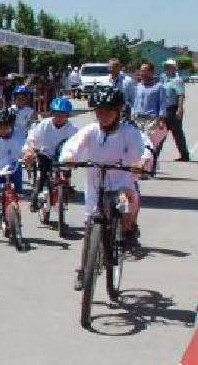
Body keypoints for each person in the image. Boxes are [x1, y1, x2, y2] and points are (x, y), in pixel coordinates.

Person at [60, 86, 149, 257]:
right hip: (96, 183)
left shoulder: (129, 132)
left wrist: (140, 163)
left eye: (108, 112)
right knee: (91, 222)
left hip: (121, 181)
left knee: (128, 204)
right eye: (99, 112)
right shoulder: (91, 130)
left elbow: (141, 151)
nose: (103, 116)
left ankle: (128, 231)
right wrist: (69, 157)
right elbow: (73, 145)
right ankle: (86, 267)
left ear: (118, 112)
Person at [24, 96, 78, 208]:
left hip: (63, 156)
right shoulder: (44, 124)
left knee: (66, 171)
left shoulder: (73, 129)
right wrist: (31, 149)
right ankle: (36, 195)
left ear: (67, 115)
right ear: (52, 113)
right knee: (43, 175)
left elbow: (78, 145)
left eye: (62, 114)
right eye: (56, 114)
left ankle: (65, 187)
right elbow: (32, 138)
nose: (59, 117)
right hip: (45, 153)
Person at [130, 61, 169, 174]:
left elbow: (162, 104)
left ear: (151, 72)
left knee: (147, 144)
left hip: (151, 119)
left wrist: (161, 120)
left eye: (145, 71)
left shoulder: (159, 87)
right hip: (137, 119)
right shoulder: (137, 86)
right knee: (137, 144)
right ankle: (145, 166)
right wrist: (132, 115)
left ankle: (146, 169)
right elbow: (134, 103)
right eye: (141, 71)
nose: (142, 73)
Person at [161, 59, 191, 161]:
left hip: (173, 109)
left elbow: (181, 95)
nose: (166, 68)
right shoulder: (164, 78)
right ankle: (154, 154)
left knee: (177, 133)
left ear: (173, 68)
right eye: (165, 66)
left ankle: (184, 155)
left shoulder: (177, 80)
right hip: (164, 109)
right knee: (160, 132)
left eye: (168, 67)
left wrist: (180, 108)